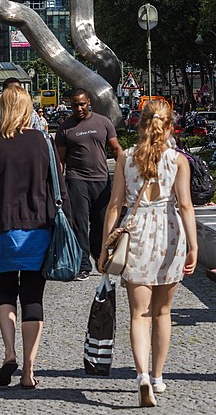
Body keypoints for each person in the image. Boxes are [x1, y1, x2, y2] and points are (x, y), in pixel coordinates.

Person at [0, 86, 70, 389]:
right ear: (29, 109)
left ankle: (9, 353)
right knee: (33, 297)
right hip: (38, 228)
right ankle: (28, 369)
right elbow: (58, 188)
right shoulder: (43, 142)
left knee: (5, 294)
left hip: (0, 229)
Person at [98, 100, 197, 408]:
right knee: (163, 312)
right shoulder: (178, 160)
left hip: (136, 234)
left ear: (139, 125)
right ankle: (157, 376)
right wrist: (193, 246)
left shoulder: (126, 158)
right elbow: (185, 206)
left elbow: (114, 206)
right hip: (169, 235)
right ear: (170, 127)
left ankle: (141, 375)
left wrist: (104, 248)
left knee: (139, 314)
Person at [55, 88, 122, 280]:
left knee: (101, 223)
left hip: (101, 180)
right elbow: (60, 160)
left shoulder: (103, 122)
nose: (79, 108)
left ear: (89, 102)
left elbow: (116, 149)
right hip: (77, 180)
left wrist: (128, 170)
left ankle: (97, 252)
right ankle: (83, 264)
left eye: (82, 104)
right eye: (75, 105)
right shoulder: (65, 128)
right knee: (80, 224)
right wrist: (58, 185)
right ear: (70, 105)